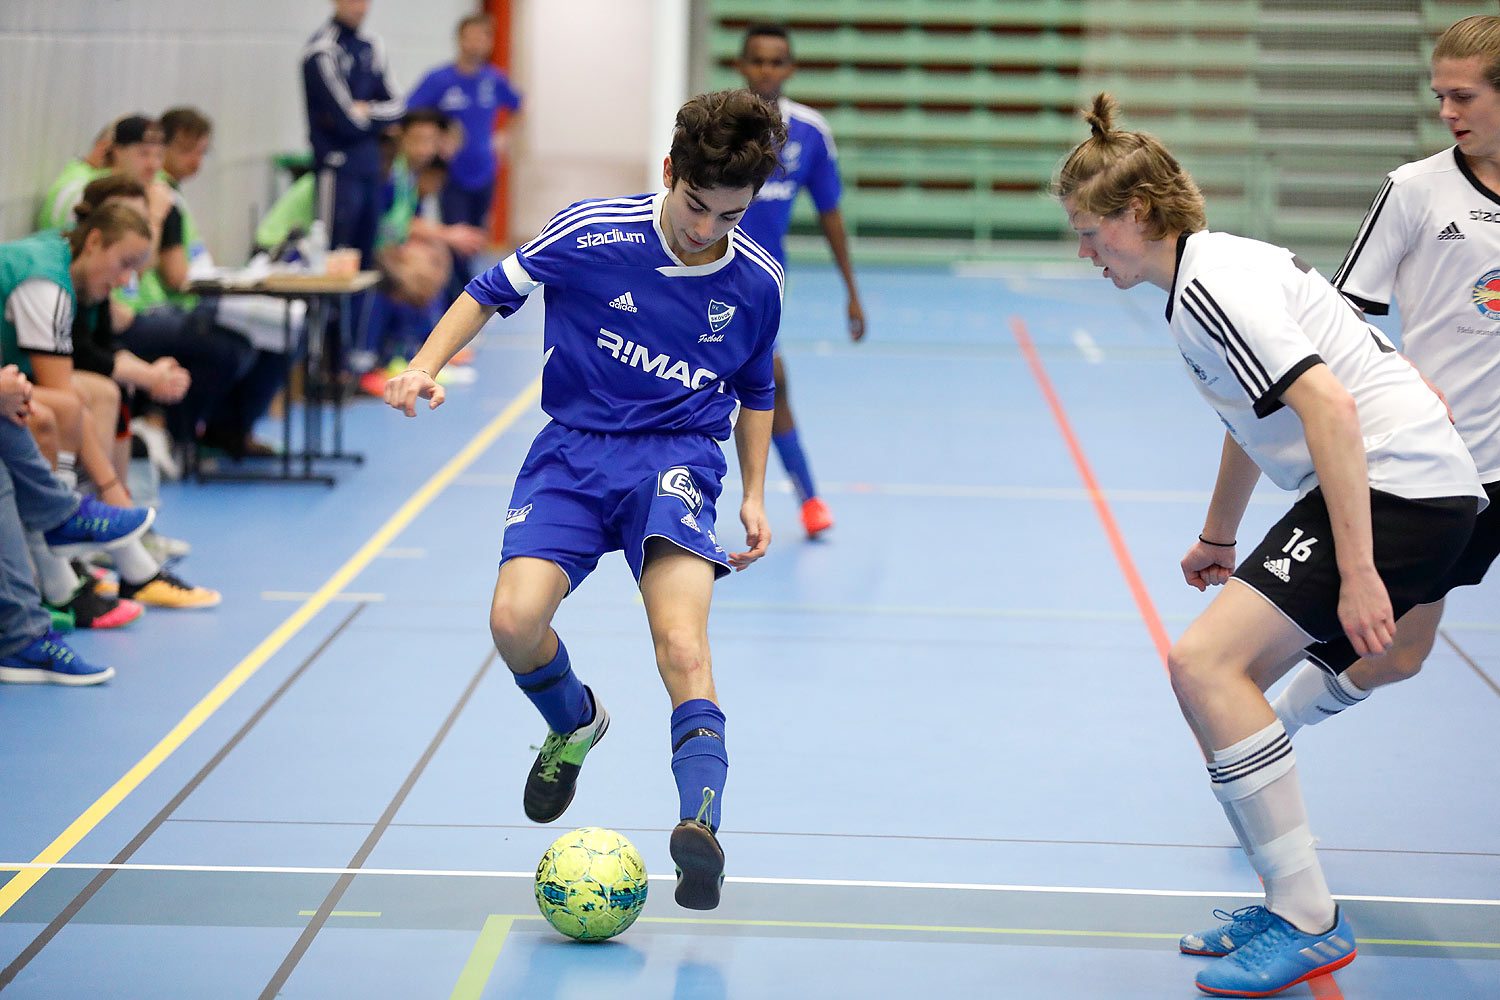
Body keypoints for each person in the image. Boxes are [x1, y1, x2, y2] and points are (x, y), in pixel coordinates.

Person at [1056, 94, 1485, 997]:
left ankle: (1309, 916)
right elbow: (1256, 414)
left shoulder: (1215, 284)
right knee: (1215, 668)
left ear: (1136, 215)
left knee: (1205, 666)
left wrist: (1362, 572)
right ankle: (1287, 899)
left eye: (1091, 231)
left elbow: (1328, 405)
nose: (1084, 251)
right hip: (1383, 488)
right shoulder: (1200, 283)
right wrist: (1220, 532)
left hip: (1398, 490)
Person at [383, 90, 787, 911]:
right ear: (670, 172)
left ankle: (699, 829)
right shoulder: (591, 231)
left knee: (681, 644)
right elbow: (489, 289)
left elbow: (756, 389)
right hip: (569, 452)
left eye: (731, 216)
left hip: (676, 460)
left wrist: (753, 491)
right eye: (697, 206)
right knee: (514, 622)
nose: (708, 229)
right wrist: (424, 362)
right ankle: (574, 723)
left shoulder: (755, 283)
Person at [1269, 14, 1500, 736]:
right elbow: (1334, 323)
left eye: (1462, 96)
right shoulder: (1416, 190)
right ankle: (1267, 730)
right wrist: (1402, 370)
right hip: (1445, 470)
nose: (1446, 112)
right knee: (1398, 654)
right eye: (1439, 96)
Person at [0, 203, 221, 610]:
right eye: (123, 265)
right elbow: (62, 394)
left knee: (102, 393)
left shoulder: (69, 262)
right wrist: (111, 488)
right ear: (96, 239)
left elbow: (98, 358)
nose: (125, 280)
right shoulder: (45, 282)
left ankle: (100, 546)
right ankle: (82, 542)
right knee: (55, 413)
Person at [735, 22, 865, 538]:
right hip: (702, 279)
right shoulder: (718, 124)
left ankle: (807, 499)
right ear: (742, 66)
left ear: (790, 68)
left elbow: (831, 215)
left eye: (776, 61)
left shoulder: (810, 133)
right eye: (758, 60)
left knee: (771, 385)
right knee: (699, 389)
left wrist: (851, 292)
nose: (767, 70)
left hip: (763, 286)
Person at [404, 12, 523, 294]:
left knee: (475, 240)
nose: (476, 42)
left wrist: (503, 137)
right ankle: (461, 302)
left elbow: (519, 105)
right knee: (456, 241)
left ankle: (467, 302)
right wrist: (439, 137)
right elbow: (410, 112)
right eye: (471, 36)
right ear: (460, 39)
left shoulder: (494, 79)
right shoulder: (439, 79)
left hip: (484, 170)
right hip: (452, 175)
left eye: (483, 36)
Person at [301, 0, 406, 270]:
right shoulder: (322, 51)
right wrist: (374, 117)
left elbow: (398, 108)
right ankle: (327, 315)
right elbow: (347, 122)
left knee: (365, 262)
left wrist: (367, 110)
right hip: (338, 170)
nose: (361, 6)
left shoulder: (372, 46)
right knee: (334, 258)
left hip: (371, 167)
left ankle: (358, 315)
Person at [36, 118, 118, 233]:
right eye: (142, 154)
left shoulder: (78, 174)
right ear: (104, 149)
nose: (152, 164)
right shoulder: (87, 186)